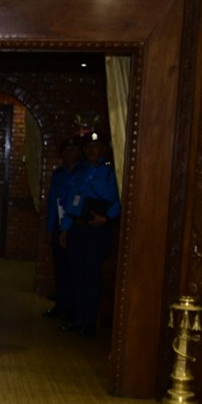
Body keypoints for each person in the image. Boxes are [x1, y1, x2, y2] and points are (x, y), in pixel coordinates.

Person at [59, 132, 120, 337]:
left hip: (97, 229)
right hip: (78, 228)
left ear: (104, 149)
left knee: (91, 276)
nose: (91, 150)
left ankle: (90, 322)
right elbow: (71, 202)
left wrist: (107, 219)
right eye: (88, 147)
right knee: (78, 274)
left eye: (96, 146)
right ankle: (79, 318)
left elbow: (119, 200)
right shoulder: (81, 172)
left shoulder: (110, 173)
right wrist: (65, 228)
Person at [43, 137, 87, 319]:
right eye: (66, 151)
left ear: (79, 152)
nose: (70, 154)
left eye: (73, 150)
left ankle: (74, 309)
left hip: (76, 225)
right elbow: (53, 203)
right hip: (58, 224)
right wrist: (49, 228)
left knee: (75, 268)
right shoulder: (59, 173)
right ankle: (61, 305)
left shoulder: (85, 172)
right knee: (60, 267)